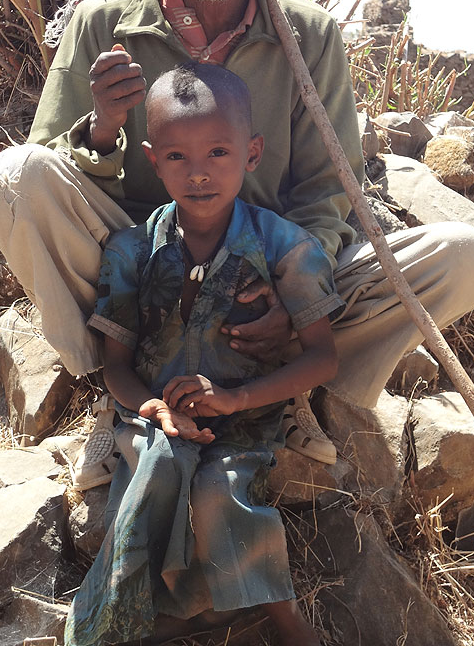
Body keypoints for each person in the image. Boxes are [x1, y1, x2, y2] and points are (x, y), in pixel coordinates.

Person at [0, 0, 474, 474]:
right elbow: (49, 172)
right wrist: (101, 128)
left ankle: (301, 391)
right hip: (137, 273)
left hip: (271, 271)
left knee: (461, 256)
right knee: (12, 177)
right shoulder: (100, 24)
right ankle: (113, 385)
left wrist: (290, 289)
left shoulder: (306, 34)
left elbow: (325, 182)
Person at [64, 62, 337, 646]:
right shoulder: (131, 250)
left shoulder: (284, 246)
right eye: (177, 157)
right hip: (152, 418)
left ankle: (285, 621)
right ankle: (114, 620)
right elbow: (116, 363)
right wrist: (152, 411)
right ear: (152, 157)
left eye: (218, 152)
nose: (199, 174)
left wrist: (237, 397)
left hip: (245, 420)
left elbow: (322, 358)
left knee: (220, 491)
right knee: (158, 467)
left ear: (253, 152)